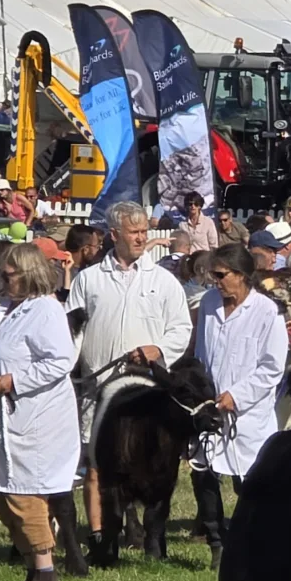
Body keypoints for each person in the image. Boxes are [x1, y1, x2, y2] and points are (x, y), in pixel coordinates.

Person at [66, 200, 193, 555]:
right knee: (97, 464)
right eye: (134, 232)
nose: (141, 238)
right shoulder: (89, 279)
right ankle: (99, 538)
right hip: (98, 388)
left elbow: (181, 328)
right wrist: (68, 369)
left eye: (143, 231)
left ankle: (148, 534)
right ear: (114, 234)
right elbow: (73, 330)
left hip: (144, 392)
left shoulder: (163, 281)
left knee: (146, 460)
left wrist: (158, 349)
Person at [0, 243, 81, 581]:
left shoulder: (46, 310)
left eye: (9, 276)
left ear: (28, 275)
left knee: (26, 496)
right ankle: (32, 568)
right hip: (3, 419)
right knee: (6, 497)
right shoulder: (8, 312)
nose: (3, 282)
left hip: (36, 419)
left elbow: (60, 360)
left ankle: (45, 572)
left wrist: (17, 381)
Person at [191, 244, 287, 569]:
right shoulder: (208, 304)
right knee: (203, 472)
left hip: (249, 415)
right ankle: (217, 542)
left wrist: (238, 395)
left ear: (242, 275)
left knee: (250, 481)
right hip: (210, 408)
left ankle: (253, 541)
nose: (215, 281)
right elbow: (202, 353)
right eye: (213, 275)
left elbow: (272, 368)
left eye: (221, 275)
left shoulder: (267, 313)